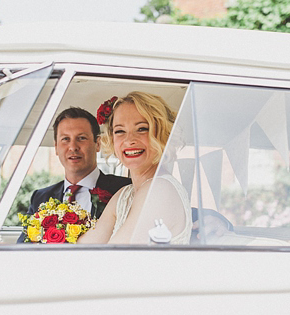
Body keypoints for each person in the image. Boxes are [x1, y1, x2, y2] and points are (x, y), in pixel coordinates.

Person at [78, 92, 192, 245]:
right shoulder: (123, 195)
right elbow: (84, 248)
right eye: (119, 131)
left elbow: (112, 258)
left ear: (162, 134)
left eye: (142, 129)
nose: (129, 140)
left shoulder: (160, 190)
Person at [17, 107, 131, 243]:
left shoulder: (125, 190)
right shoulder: (40, 197)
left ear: (98, 144)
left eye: (81, 138)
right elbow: (24, 246)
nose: (73, 147)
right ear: (56, 147)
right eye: (65, 139)